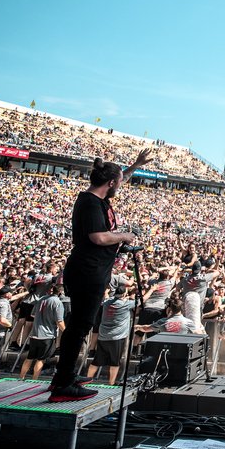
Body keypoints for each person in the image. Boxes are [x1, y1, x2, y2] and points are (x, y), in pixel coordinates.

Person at [51, 150, 150, 402]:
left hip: (91, 270)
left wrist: (135, 165)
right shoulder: (91, 203)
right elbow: (98, 237)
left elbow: (120, 178)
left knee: (79, 325)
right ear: (110, 183)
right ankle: (63, 383)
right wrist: (124, 236)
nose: (120, 185)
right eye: (118, 182)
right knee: (79, 326)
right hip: (87, 271)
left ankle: (64, 375)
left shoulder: (97, 197)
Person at [87, 284, 135, 385]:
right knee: (115, 362)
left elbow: (106, 298)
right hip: (117, 338)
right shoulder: (126, 304)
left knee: (97, 361)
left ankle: (87, 380)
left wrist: (106, 293)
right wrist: (152, 290)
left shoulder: (106, 303)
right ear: (124, 294)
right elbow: (142, 300)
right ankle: (111, 383)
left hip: (103, 337)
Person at [20, 284, 66, 381]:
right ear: (61, 292)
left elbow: (33, 314)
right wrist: (66, 331)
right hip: (47, 335)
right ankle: (34, 379)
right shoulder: (57, 302)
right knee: (41, 359)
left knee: (30, 357)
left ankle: (21, 377)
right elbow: (59, 321)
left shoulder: (41, 299)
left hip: (35, 333)